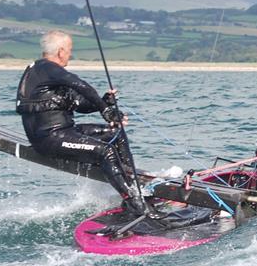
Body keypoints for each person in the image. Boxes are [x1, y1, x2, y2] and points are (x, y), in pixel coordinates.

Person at [15, 29, 154, 217]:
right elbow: (80, 85)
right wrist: (105, 110)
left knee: (116, 134)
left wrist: (104, 101)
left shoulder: (47, 76)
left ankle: (130, 183)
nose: (70, 55)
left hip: (65, 132)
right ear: (61, 51)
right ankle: (134, 203)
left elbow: (80, 104)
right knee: (106, 151)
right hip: (50, 139)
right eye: (70, 50)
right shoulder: (47, 68)